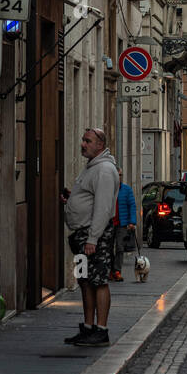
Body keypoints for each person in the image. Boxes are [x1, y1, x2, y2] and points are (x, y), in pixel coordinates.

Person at [62, 128, 120, 346]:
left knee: (99, 281)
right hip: (81, 236)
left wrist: (93, 239)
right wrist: (72, 200)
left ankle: (101, 330)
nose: (83, 144)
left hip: (93, 238)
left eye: (88, 141)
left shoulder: (104, 169)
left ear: (100, 145)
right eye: (83, 139)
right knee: (84, 281)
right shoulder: (91, 167)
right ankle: (88, 327)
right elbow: (89, 199)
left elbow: (104, 208)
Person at [111, 167, 137, 281]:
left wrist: (132, 222)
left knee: (120, 248)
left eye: (120, 175)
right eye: (117, 175)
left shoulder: (127, 190)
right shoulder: (107, 189)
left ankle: (117, 271)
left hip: (122, 223)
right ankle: (110, 270)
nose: (119, 177)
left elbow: (132, 205)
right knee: (108, 248)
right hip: (108, 223)